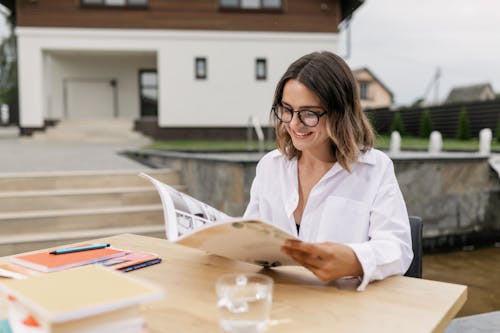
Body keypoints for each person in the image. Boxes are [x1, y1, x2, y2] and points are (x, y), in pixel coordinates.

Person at [243, 51, 413, 291]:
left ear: (340, 113)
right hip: (280, 303)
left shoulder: (375, 169)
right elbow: (250, 234)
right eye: (287, 109)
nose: (293, 123)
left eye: (309, 113)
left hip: (343, 310)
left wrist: (354, 260)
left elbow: (398, 248)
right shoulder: (270, 167)